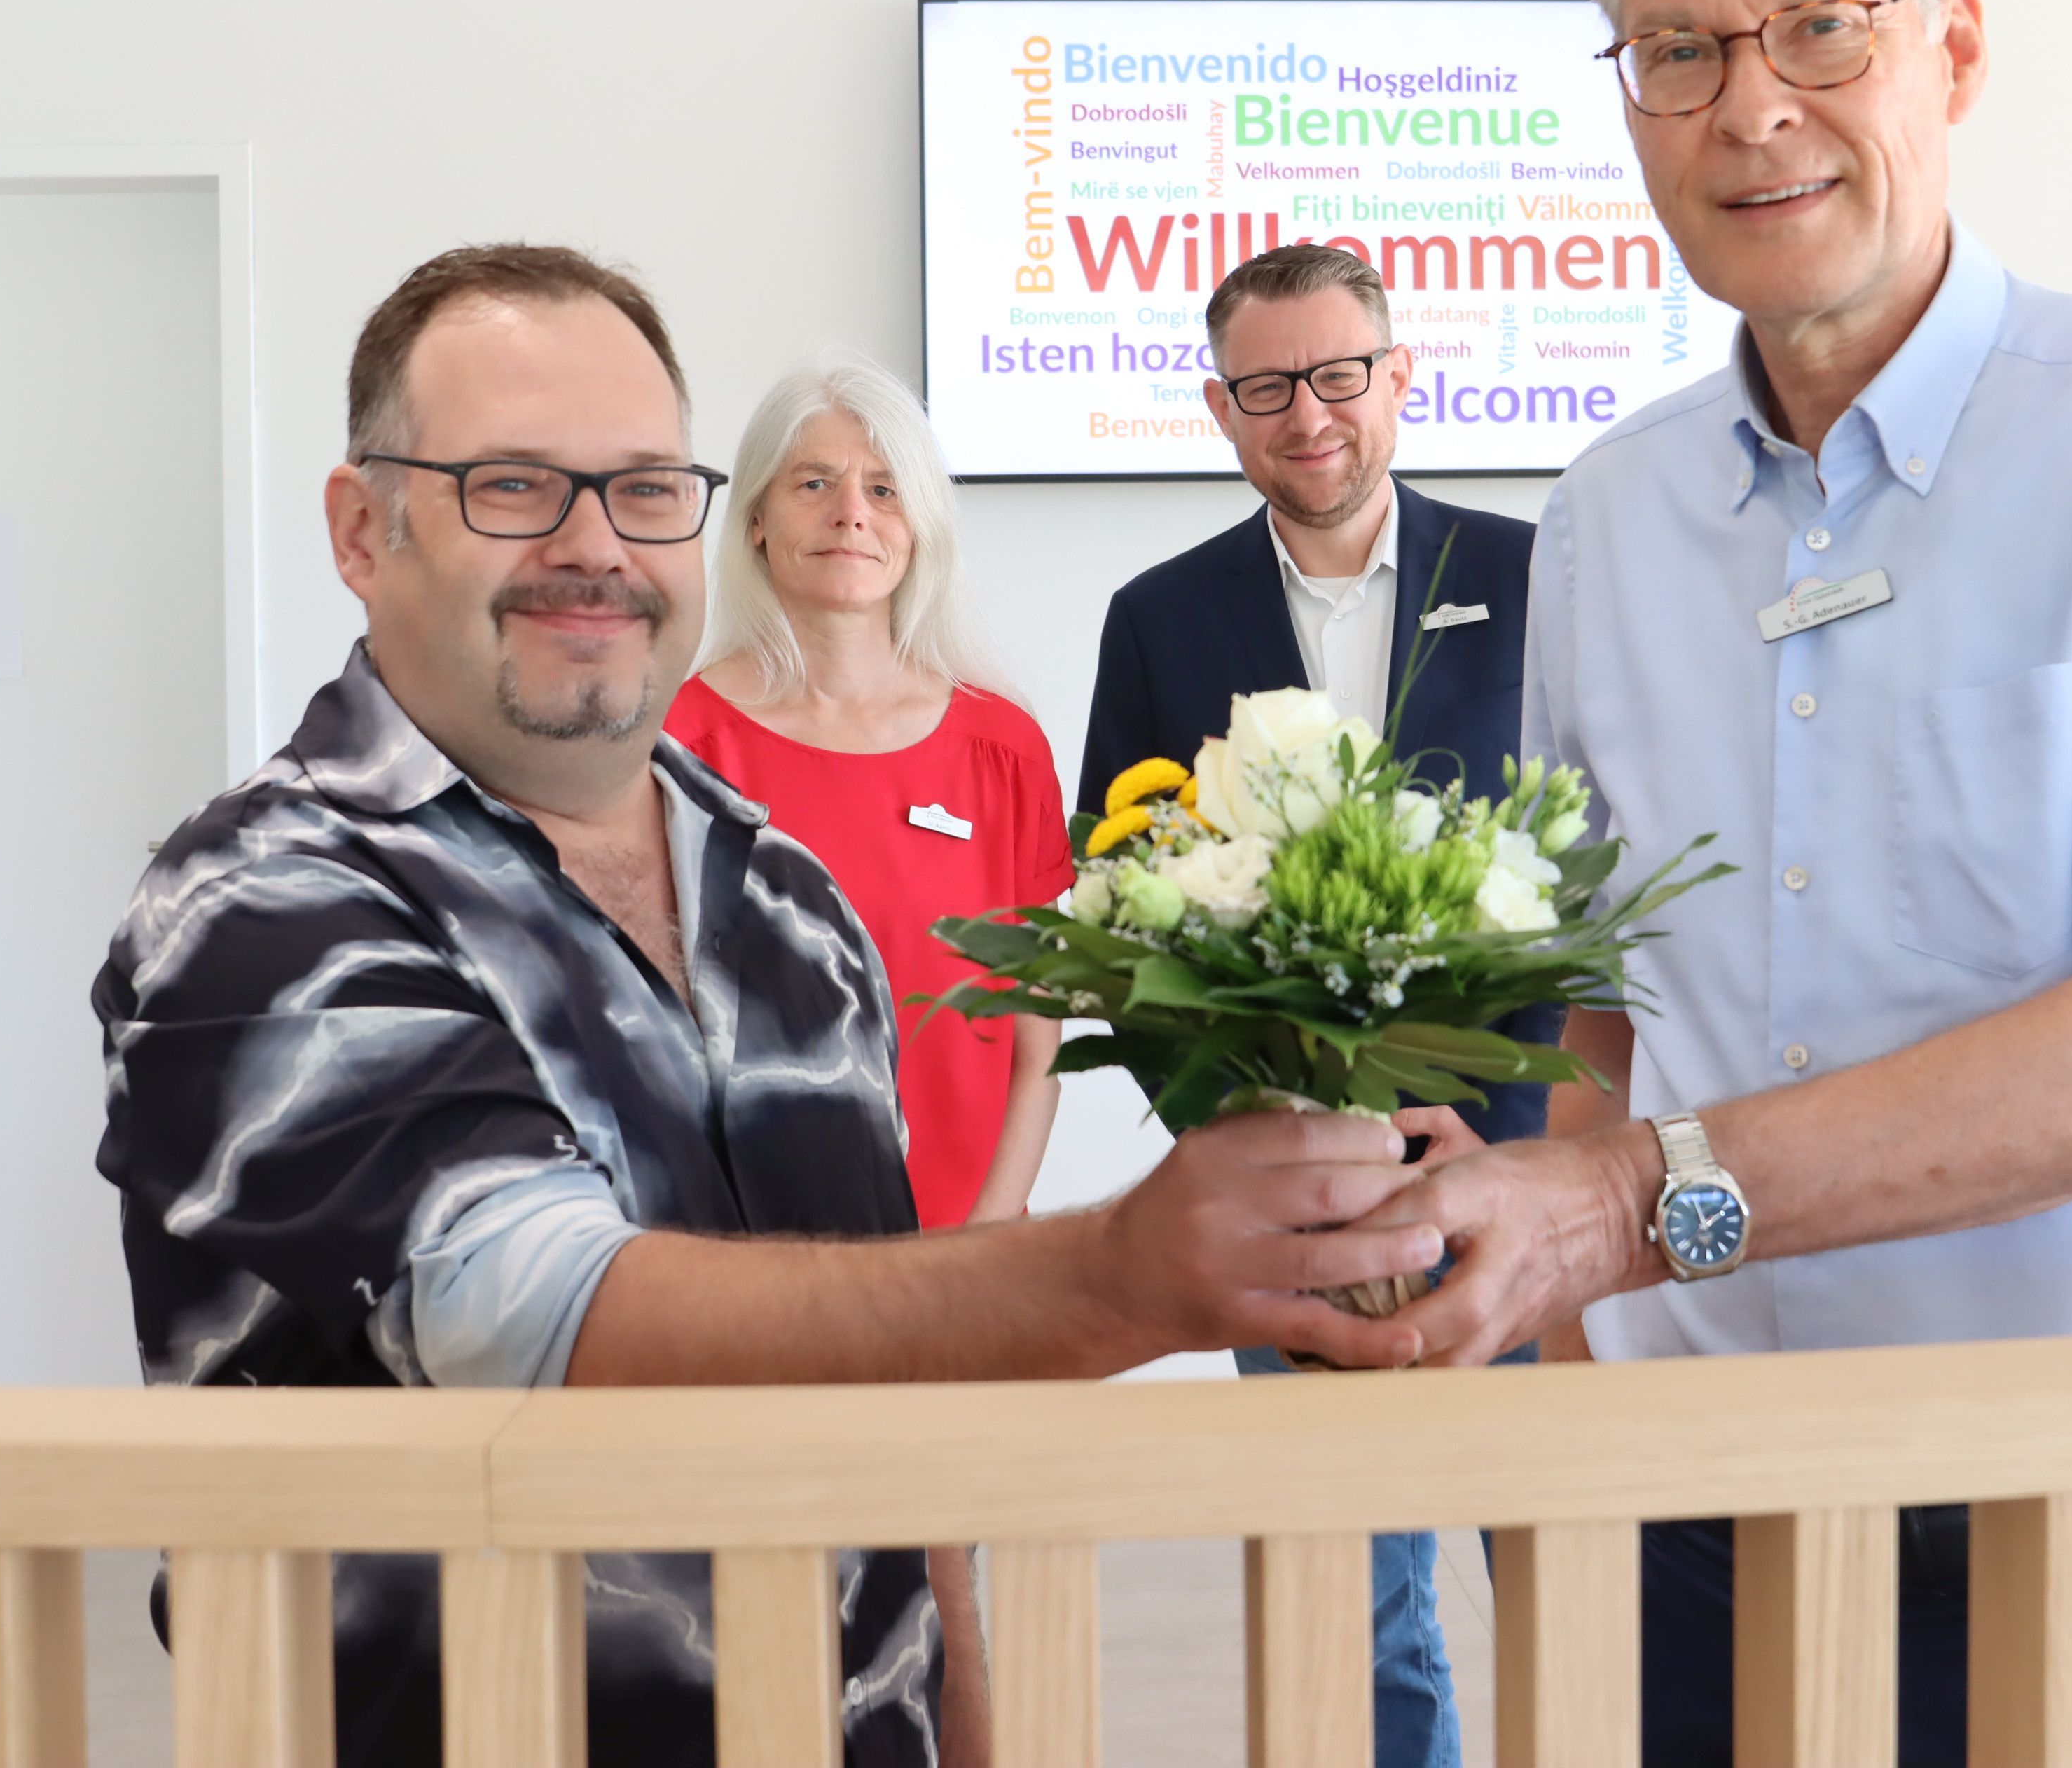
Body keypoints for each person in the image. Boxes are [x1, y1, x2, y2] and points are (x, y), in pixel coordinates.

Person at [93, 244, 1446, 1768]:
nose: (593, 547)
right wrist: (1113, 1273)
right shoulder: (259, 902)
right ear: (363, 527)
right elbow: (533, 1314)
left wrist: (967, 1723)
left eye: (641, 489)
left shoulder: (787, 901)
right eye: (512, 486)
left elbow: (895, 1414)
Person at [1353, 0, 2072, 1767]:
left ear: (1954, 45)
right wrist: (1567, 1344)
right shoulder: (1604, 516)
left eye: (1820, 29)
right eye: (1679, 51)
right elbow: (1601, 1002)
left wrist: (1633, 1208)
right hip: (1693, 1521)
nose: (1751, 107)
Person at [1080, 242, 1542, 1768]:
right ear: (1222, 409)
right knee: (1350, 1592)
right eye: (1268, 387)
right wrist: (1250, 1140)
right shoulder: (1160, 618)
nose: (1310, 415)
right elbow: (1118, 912)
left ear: (1399, 376)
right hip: (1292, 1194)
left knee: (1559, 1563)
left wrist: (1522, 1135)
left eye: (1339, 374)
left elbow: (1598, 873)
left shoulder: (1536, 577)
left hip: (1516, 1172)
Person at [668, 355, 1065, 1229]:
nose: (851, 511)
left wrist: (983, 1243)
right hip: (748, 1255)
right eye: (815, 482)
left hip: (974, 1250)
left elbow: (1038, 1043)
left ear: (919, 526)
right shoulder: (678, 746)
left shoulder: (1002, 748)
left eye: (885, 489)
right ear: (757, 519)